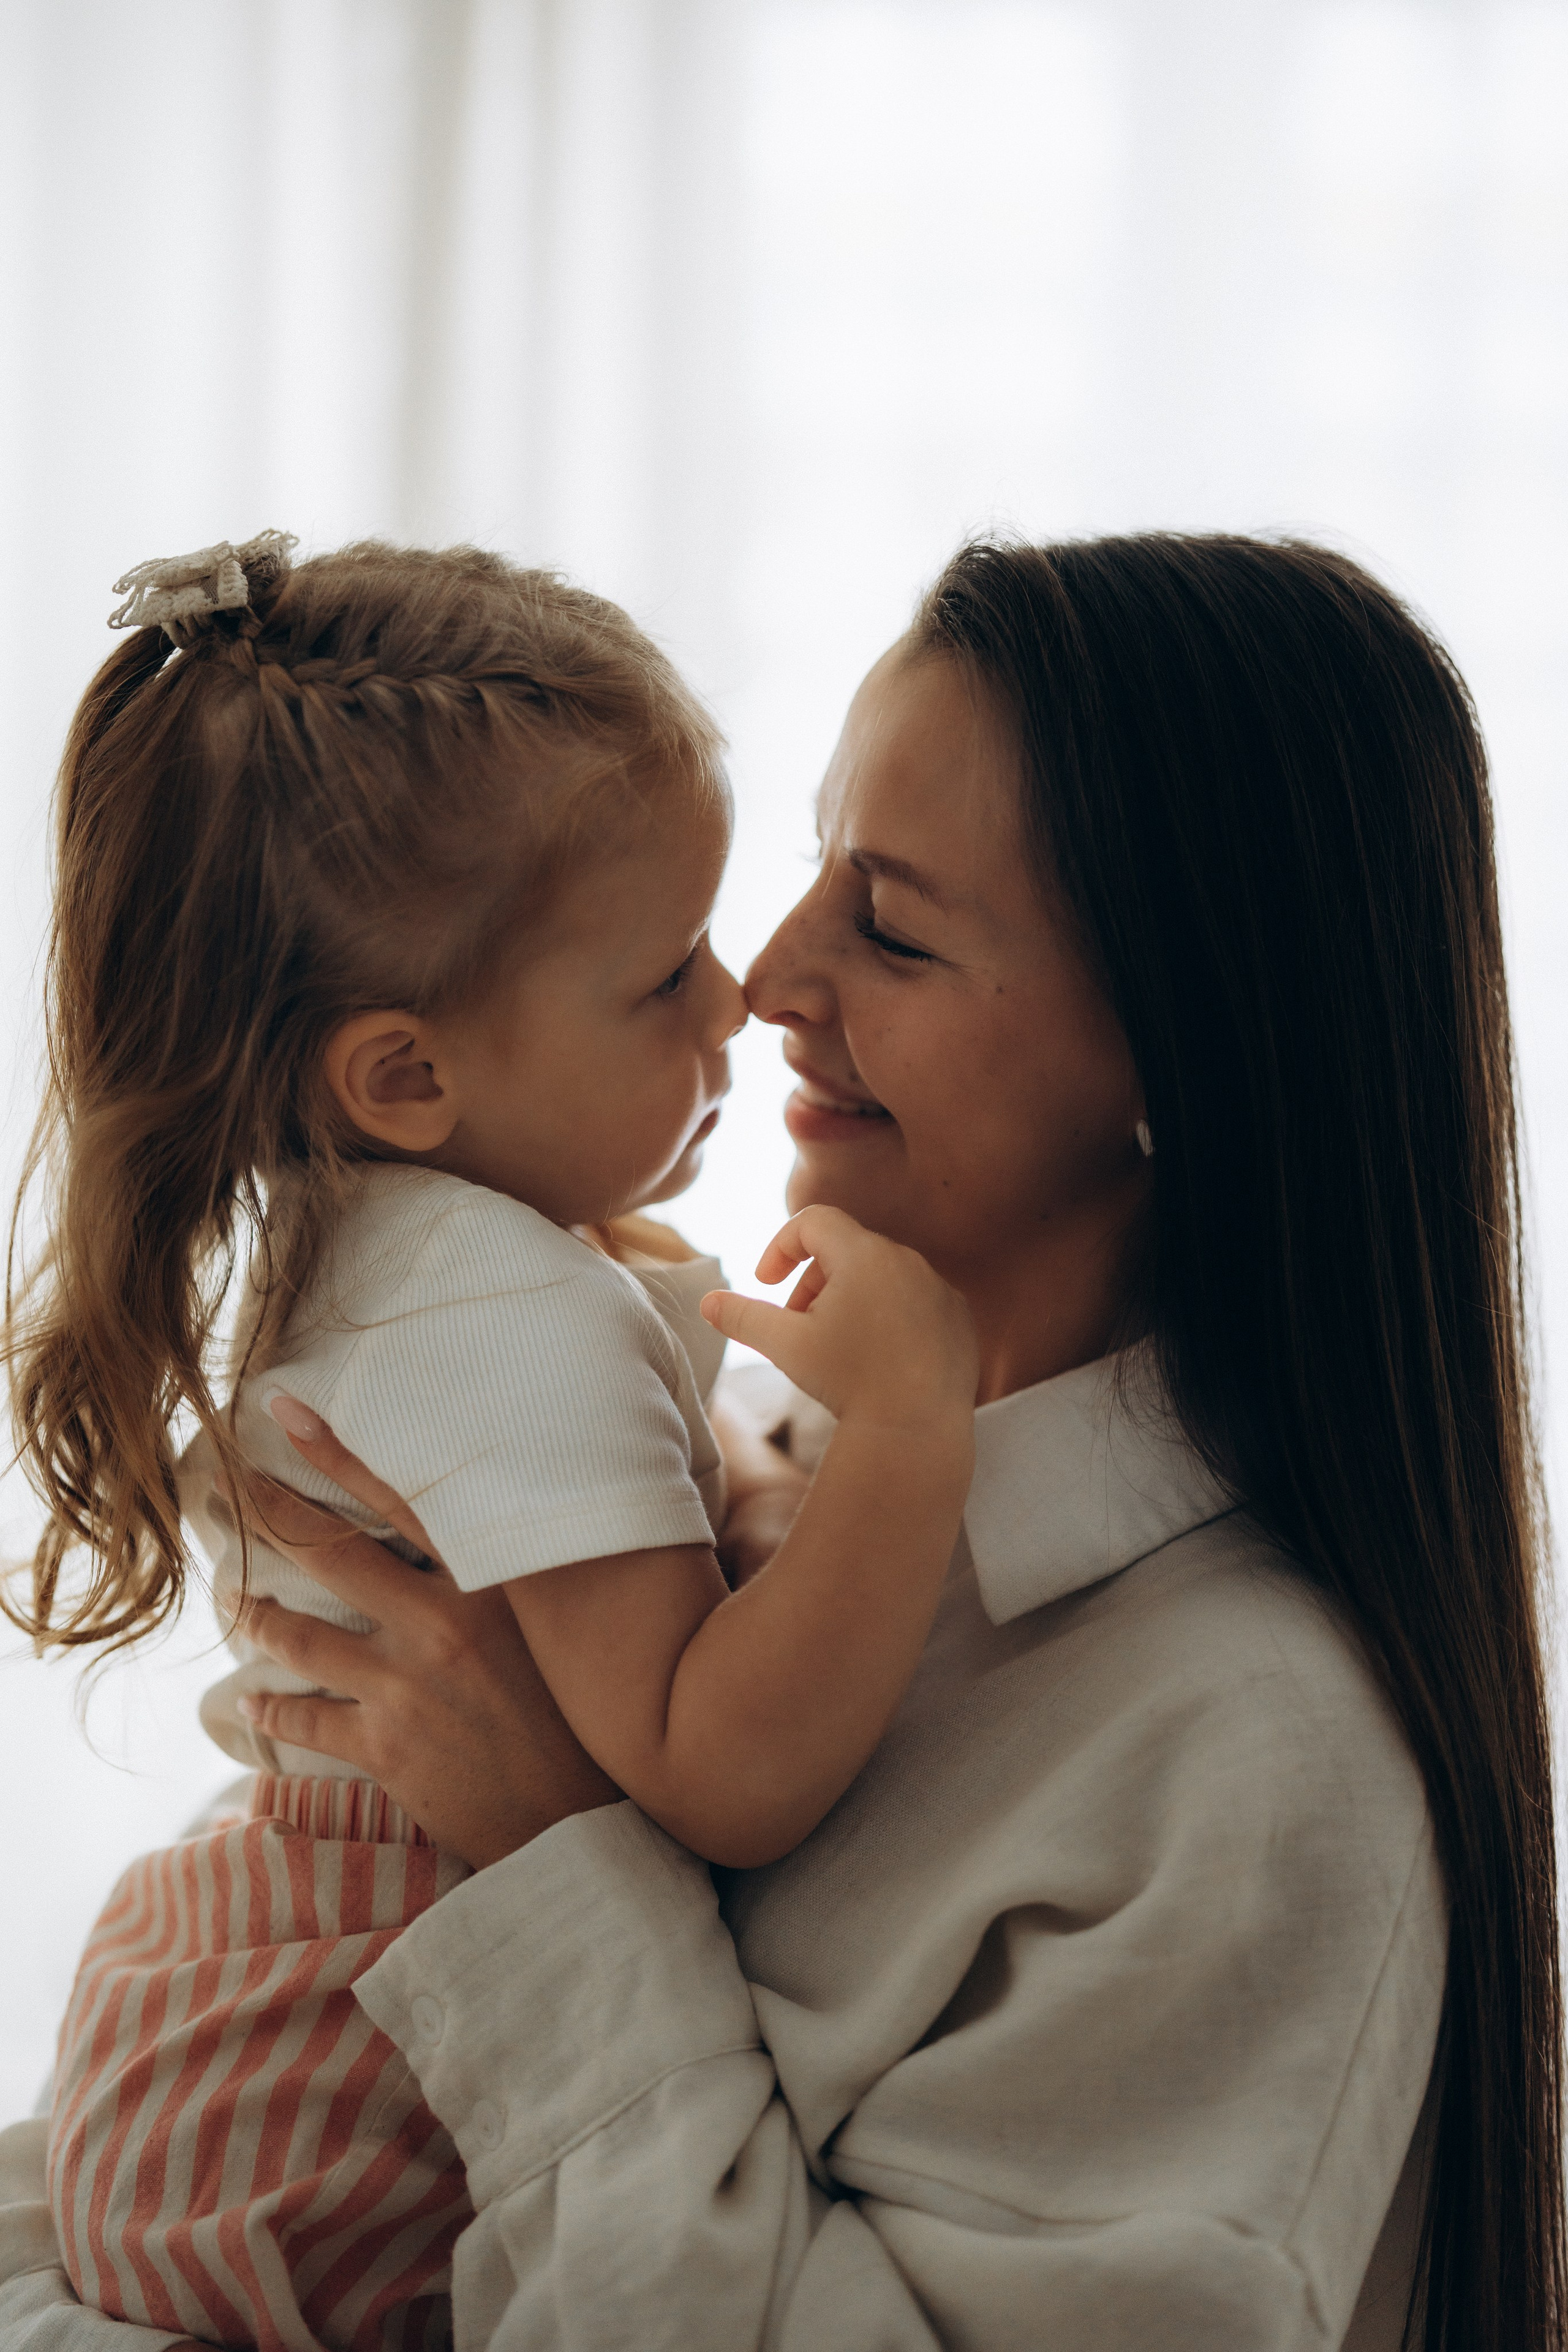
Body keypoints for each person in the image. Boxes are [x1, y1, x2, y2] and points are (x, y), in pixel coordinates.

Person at [1, 530, 1560, 2349]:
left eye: (892, 925)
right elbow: (209, 2100)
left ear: (1185, 1056)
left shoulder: (1254, 1764)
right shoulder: (710, 1461)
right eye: (818, 866)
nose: (764, 975)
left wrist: (559, 1852)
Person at [0, 535, 975, 2351]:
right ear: (406, 1078)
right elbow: (715, 1772)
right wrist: (906, 1440)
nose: (738, 1001)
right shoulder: (512, 1315)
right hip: (328, 2084)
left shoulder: (406, 1244)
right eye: (665, 973)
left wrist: (763, 1479)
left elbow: (612, 1571)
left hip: (237, 2001)